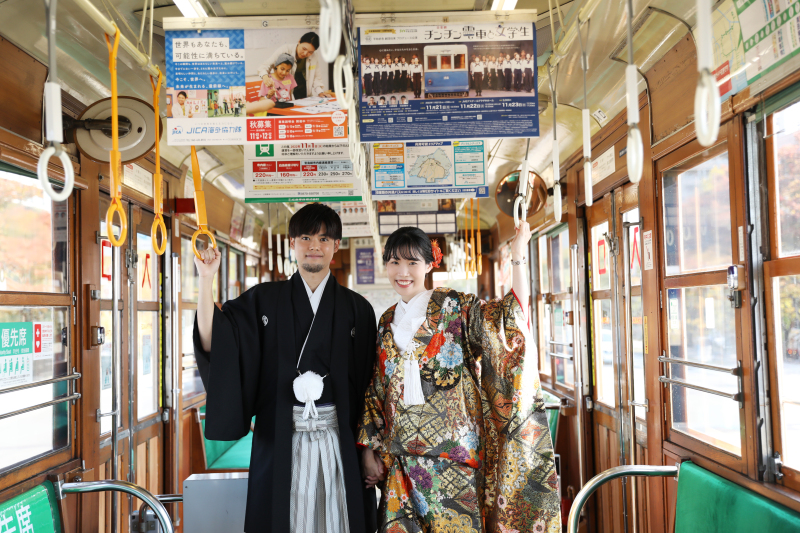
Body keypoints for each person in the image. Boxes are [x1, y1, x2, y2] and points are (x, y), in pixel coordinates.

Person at [358, 225, 561, 533]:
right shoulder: (386, 321)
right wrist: (370, 450)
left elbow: (507, 323)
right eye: (395, 262)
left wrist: (518, 256)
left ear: (429, 264)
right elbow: (376, 388)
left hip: (453, 459)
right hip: (401, 462)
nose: (403, 271)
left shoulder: (456, 307)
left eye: (412, 262)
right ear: (385, 265)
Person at [194, 203, 379, 533]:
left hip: (339, 441)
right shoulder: (263, 300)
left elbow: (370, 389)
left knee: (338, 521)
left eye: (324, 239)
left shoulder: (357, 310)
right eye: (306, 237)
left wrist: (369, 449)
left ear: (336, 246)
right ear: (292, 242)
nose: (314, 246)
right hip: (280, 438)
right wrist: (206, 279)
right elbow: (216, 343)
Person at [251, 32, 333, 116]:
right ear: (299, 41)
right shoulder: (285, 50)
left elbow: (316, 75)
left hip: (301, 83)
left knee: (302, 110)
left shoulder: (314, 55)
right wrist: (266, 78)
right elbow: (264, 66)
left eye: (310, 52)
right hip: (285, 88)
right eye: (304, 49)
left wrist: (320, 92)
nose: (305, 54)